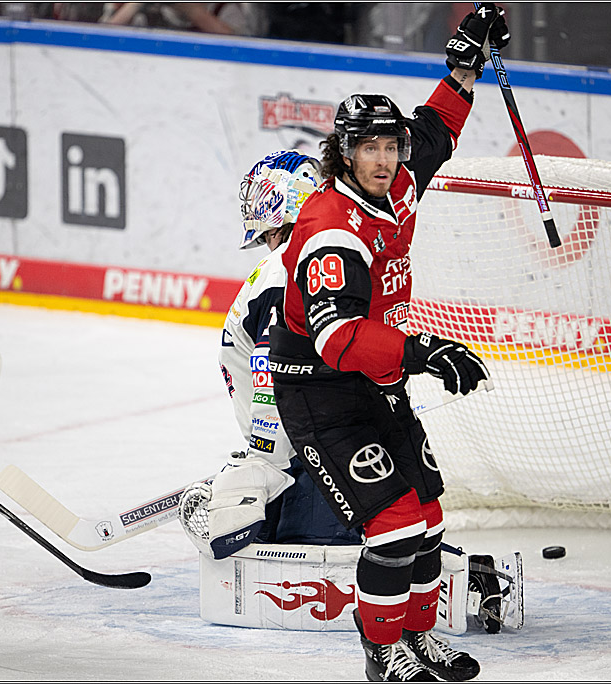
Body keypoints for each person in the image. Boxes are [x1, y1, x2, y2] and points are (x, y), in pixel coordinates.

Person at [268, 4, 508, 681]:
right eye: (369, 147)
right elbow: (339, 338)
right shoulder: (330, 230)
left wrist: (466, 61)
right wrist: (423, 350)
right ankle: (381, 651)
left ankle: (418, 634)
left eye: (388, 145)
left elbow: (438, 129)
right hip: (321, 390)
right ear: (344, 153)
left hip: (379, 378)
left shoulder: (399, 177)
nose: (384, 158)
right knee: (395, 523)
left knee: (429, 515)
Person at [180, 149, 361, 561]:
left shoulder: (282, 268)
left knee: (314, 566)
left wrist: (265, 462)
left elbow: (272, 373)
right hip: (327, 447)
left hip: (306, 462)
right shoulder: (325, 253)